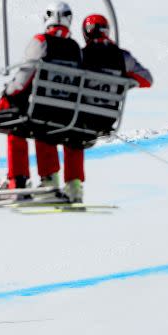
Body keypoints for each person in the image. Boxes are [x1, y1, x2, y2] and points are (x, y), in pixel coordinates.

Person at [32, 13, 153, 203]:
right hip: (107, 117)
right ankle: (74, 187)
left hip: (82, 116)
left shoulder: (81, 55)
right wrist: (125, 81)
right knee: (75, 133)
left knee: (51, 122)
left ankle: (51, 182)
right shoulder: (122, 57)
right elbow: (147, 79)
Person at [0, 1, 81, 192]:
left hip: (35, 109)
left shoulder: (41, 42)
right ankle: (48, 178)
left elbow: (24, 76)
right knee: (41, 127)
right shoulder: (75, 49)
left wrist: (8, 92)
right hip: (62, 112)